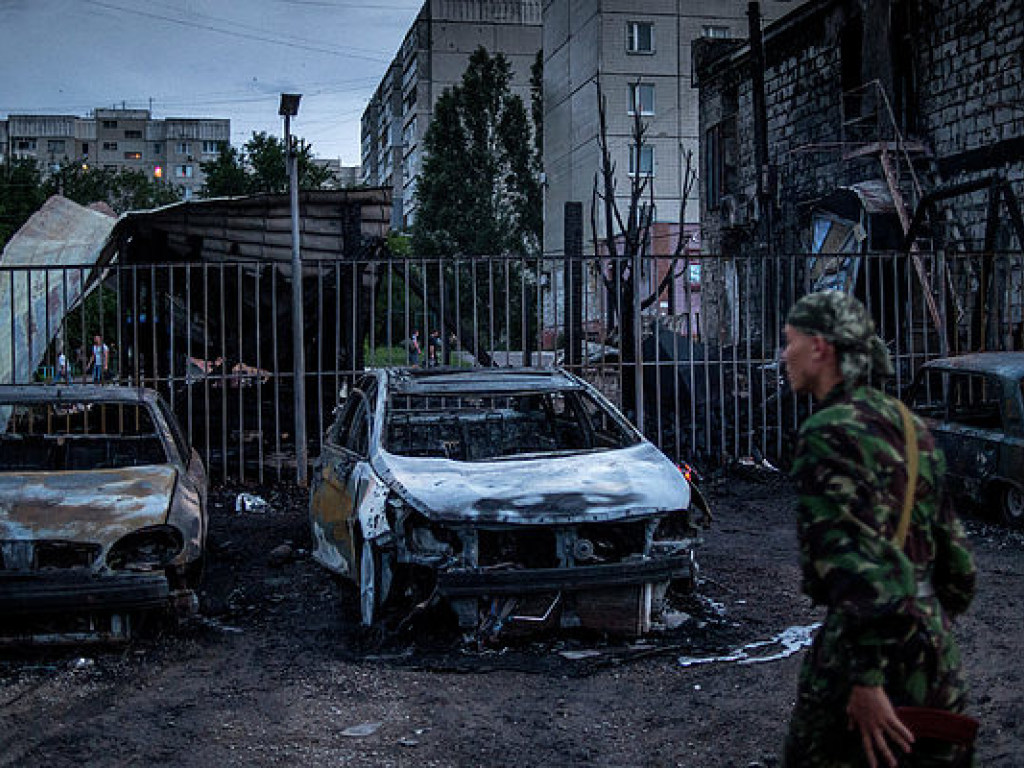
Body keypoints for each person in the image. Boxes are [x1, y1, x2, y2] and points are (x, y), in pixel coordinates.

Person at [780, 291, 976, 768]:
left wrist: (866, 678)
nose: (784, 355)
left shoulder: (827, 432)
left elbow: (853, 564)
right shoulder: (912, 427)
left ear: (821, 347)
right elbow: (959, 568)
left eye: (790, 341)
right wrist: (924, 624)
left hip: (865, 667)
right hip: (934, 657)